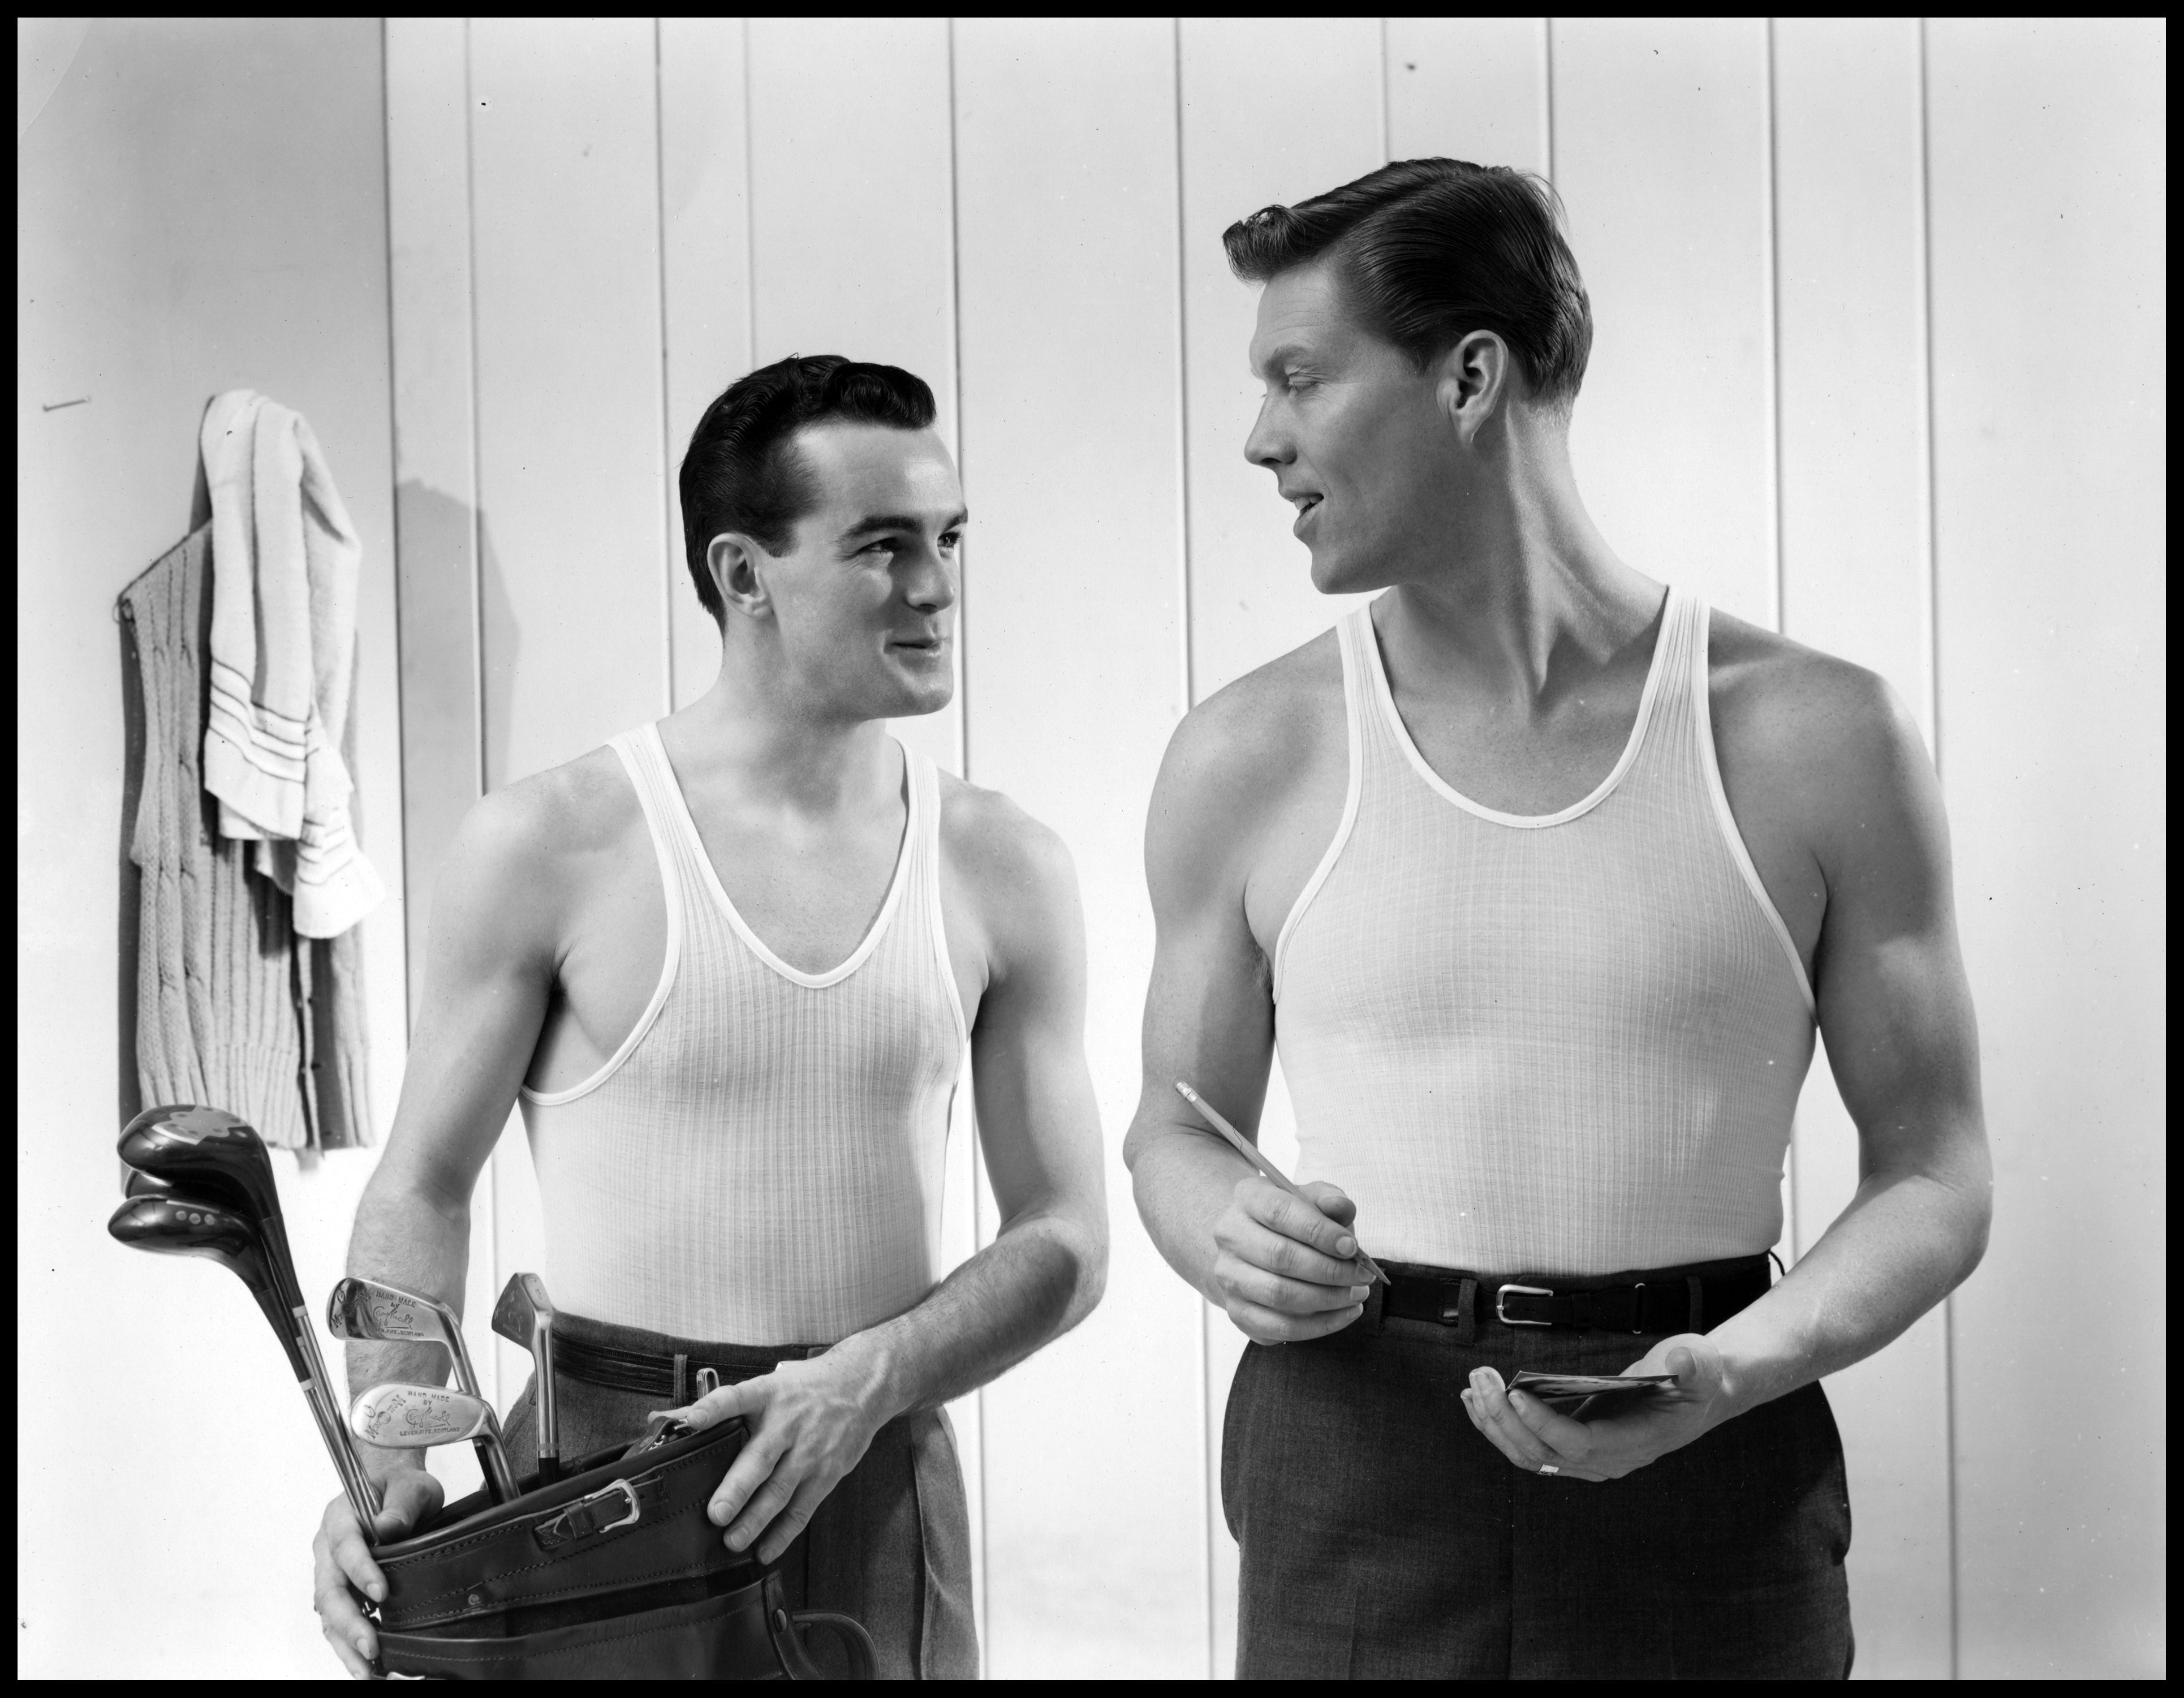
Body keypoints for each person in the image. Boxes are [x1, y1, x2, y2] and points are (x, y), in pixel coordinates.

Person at [1123, 159, 1991, 1679]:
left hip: (1707, 1431)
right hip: (1348, 1441)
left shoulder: (1813, 737)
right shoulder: (1243, 753)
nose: (1259, 440)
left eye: (1300, 379)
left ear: (1466, 377)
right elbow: (1170, 1132)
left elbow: (1933, 1172)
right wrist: (1222, 1233)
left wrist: (1731, 1372)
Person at [311, 355, 1107, 1679]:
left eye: (950, 537)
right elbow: (422, 1187)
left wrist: (871, 1377)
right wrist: (386, 1459)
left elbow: (1068, 1238)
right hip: (602, 1470)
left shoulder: (1000, 861)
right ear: (744, 574)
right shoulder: (551, 843)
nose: (937, 586)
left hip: (873, 1452)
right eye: (883, 546)